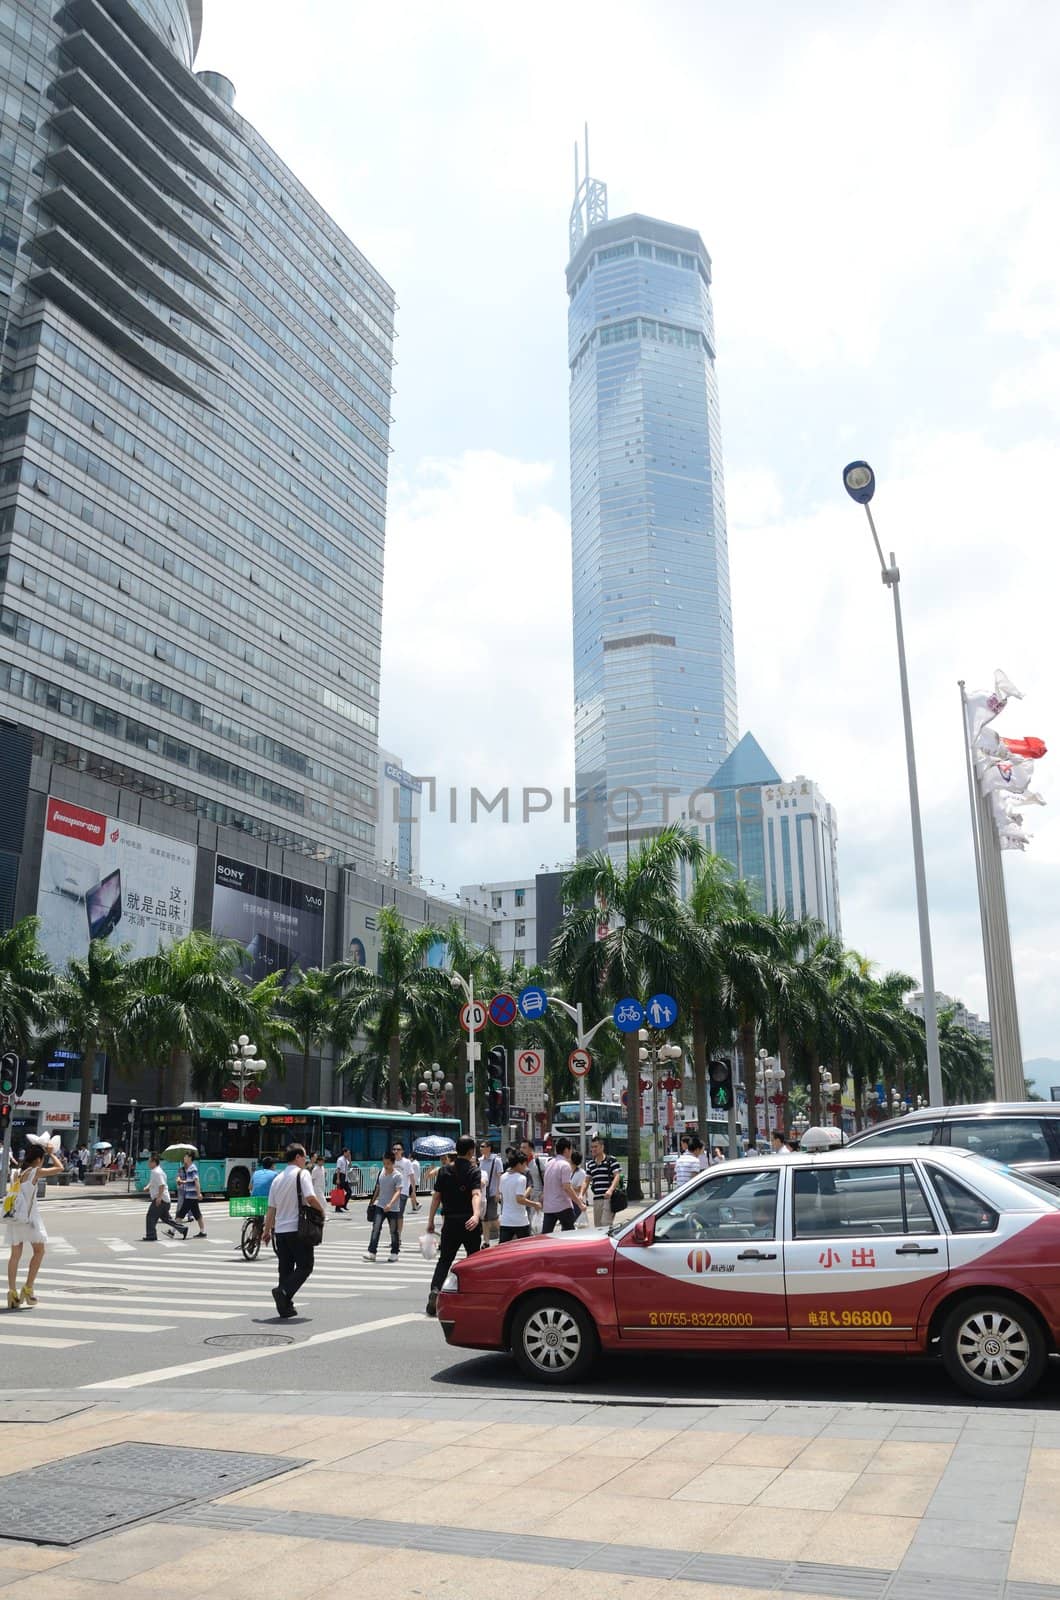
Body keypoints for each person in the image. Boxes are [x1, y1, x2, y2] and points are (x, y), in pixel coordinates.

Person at [262, 1143, 322, 1319]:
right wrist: (322, 1211)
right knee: (305, 1265)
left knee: (285, 1269)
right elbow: (310, 1197)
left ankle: (285, 1307)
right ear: (297, 1157)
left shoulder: (278, 1178)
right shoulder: (302, 1174)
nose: (306, 1160)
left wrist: (266, 1230)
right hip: (298, 1230)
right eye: (304, 1156)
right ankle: (284, 1291)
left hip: (280, 1232)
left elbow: (271, 1209)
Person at [425, 1134, 482, 1317]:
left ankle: (435, 1290)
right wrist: (476, 1215)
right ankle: (472, 1297)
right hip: (468, 1223)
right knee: (473, 1260)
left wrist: (431, 1220)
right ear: (471, 1151)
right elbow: (476, 1194)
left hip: (449, 1222)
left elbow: (436, 1197)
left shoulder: (444, 1171)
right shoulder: (474, 1171)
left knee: (444, 1260)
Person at [5, 1138, 64, 1308]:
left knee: (15, 1255)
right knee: (39, 1251)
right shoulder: (35, 1172)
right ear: (38, 1160)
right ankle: (28, 1288)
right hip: (30, 1218)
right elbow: (60, 1168)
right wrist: (52, 1153)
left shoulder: (16, 1172)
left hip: (15, 1217)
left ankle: (12, 1292)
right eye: (42, 1159)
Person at [541, 1137, 586, 1233]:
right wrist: (580, 1203)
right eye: (571, 1149)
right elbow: (567, 1187)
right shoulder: (565, 1165)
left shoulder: (549, 1163)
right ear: (566, 1150)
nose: (571, 1152)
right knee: (569, 1234)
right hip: (563, 1206)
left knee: (546, 1235)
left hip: (549, 1206)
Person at [363, 1150, 402, 1262]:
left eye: (388, 1164)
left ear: (393, 1163)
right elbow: (378, 1188)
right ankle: (372, 1252)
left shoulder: (397, 1176)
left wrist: (390, 1204)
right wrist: (372, 1201)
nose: (386, 1166)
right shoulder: (381, 1172)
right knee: (376, 1228)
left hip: (393, 1208)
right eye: (384, 1163)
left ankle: (394, 1253)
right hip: (380, 1206)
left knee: (393, 1231)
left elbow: (398, 1191)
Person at [142, 1154, 187, 1241]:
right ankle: (183, 1229)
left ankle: (151, 1235)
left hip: (161, 1200)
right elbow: (153, 1182)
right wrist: (147, 1187)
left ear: (154, 1162)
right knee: (166, 1219)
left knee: (151, 1216)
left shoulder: (156, 1172)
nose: (148, 1163)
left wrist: (159, 1198)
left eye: (149, 1162)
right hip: (164, 1200)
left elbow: (162, 1185)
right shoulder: (156, 1171)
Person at [499, 1150, 538, 1242]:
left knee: (503, 1249)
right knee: (525, 1248)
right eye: (525, 1164)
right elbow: (519, 1199)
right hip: (520, 1221)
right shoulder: (521, 1178)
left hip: (506, 1220)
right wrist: (535, 1204)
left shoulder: (503, 1177)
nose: (526, 1166)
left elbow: (501, 1194)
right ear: (519, 1164)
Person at [585, 1137, 621, 1229]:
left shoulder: (611, 1160)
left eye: (595, 1146)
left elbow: (617, 1176)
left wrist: (610, 1190)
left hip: (608, 1199)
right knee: (598, 1227)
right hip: (596, 1199)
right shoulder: (590, 1164)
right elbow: (586, 1180)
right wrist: (581, 1194)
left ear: (602, 1147)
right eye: (592, 1147)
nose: (593, 1149)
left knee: (606, 1224)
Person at [477, 1138, 503, 1247]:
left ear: (489, 1148)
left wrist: (498, 1192)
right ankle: (486, 1241)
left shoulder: (496, 1160)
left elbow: (500, 1176)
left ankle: (505, 1234)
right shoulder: (480, 1160)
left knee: (493, 1217)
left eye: (483, 1146)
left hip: (492, 1193)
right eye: (481, 1146)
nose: (481, 1148)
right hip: (483, 1193)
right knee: (484, 1218)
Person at [175, 1151, 207, 1237]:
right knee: (198, 1215)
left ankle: (172, 1231)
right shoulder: (190, 1168)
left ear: (189, 1158)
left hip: (190, 1196)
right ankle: (202, 1232)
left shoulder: (192, 1168)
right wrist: (182, 1182)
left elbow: (196, 1181)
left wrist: (199, 1193)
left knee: (181, 1214)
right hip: (191, 1196)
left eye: (185, 1156)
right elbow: (191, 1181)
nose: (184, 1158)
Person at [391, 1143, 416, 1236]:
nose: (396, 1151)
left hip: (403, 1192)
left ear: (402, 1151)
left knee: (399, 1214)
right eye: (394, 1149)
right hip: (391, 1192)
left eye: (398, 1149)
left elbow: (411, 1176)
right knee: (393, 1215)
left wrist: (413, 1191)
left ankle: (398, 1235)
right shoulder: (391, 1161)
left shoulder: (406, 1162)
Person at [520, 1137, 546, 1212]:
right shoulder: (519, 1164)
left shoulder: (538, 1162)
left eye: (524, 1148)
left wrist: (544, 1193)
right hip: (523, 1197)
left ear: (531, 1149)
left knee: (535, 1222)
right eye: (521, 1148)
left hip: (536, 1197)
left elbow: (546, 1179)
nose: (521, 1150)